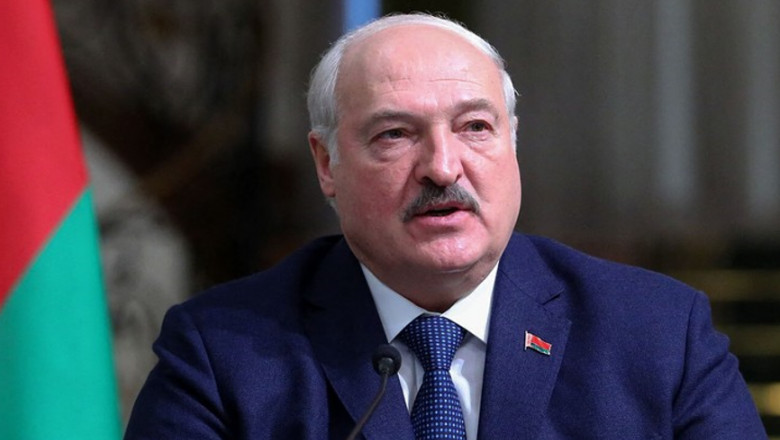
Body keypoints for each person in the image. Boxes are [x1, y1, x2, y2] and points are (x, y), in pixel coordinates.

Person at [124, 13, 766, 440]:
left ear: (513, 142)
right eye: (395, 134)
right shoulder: (222, 353)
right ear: (326, 165)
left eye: (474, 127)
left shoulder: (658, 334)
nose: (441, 166)